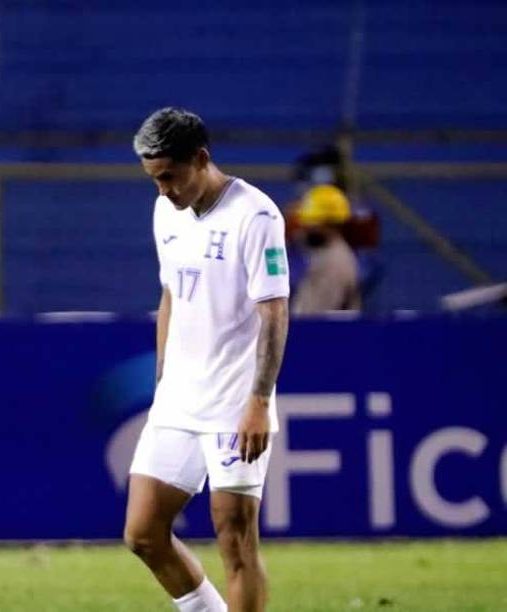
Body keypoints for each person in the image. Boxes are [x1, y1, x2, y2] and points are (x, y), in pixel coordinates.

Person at [123, 108, 290, 612]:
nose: (162, 191)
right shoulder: (165, 212)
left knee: (235, 540)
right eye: (154, 180)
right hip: (178, 400)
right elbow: (171, 296)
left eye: (169, 177)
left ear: (201, 159)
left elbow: (274, 312)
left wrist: (258, 402)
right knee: (143, 533)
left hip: (233, 404)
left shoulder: (256, 216)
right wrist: (162, 381)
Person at [291, 185, 361, 314]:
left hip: (322, 332)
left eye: (313, 224)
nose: (306, 228)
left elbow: (312, 318)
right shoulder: (321, 251)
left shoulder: (334, 263)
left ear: (330, 225)